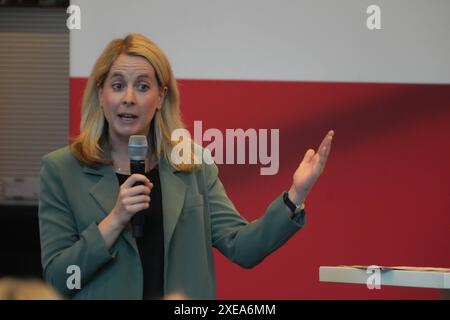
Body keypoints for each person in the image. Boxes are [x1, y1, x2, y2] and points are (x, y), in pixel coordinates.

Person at [38, 33, 334, 300]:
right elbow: (60, 280)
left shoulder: (192, 165)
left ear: (161, 97)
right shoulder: (62, 170)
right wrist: (115, 220)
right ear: (101, 93)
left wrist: (294, 196)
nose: (128, 98)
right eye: (117, 86)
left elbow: (243, 247)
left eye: (142, 87)